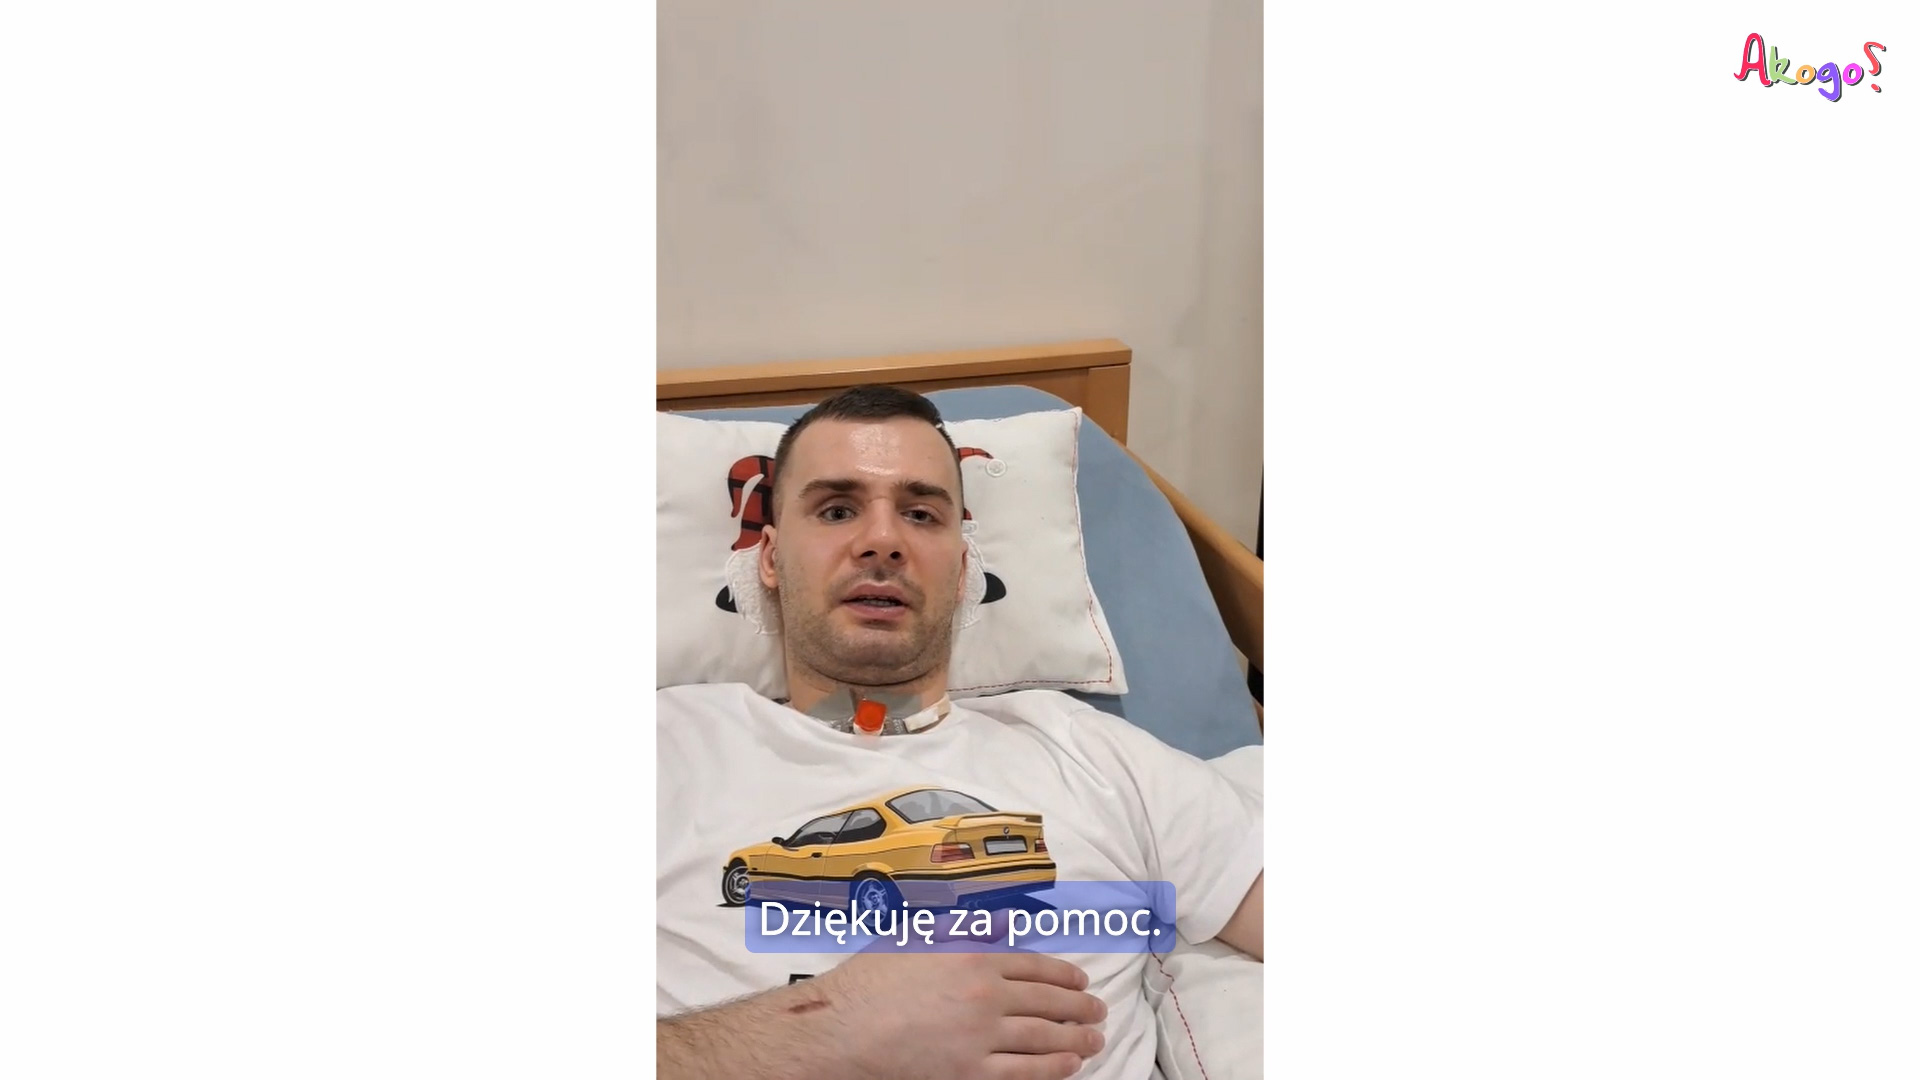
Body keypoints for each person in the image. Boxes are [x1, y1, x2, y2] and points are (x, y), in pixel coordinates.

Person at [656, 386, 1263, 1080]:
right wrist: (826, 1027)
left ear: (964, 568)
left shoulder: (1091, 753)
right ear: (769, 558)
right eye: (837, 510)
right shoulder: (668, 749)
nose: (882, 541)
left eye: (920, 514)